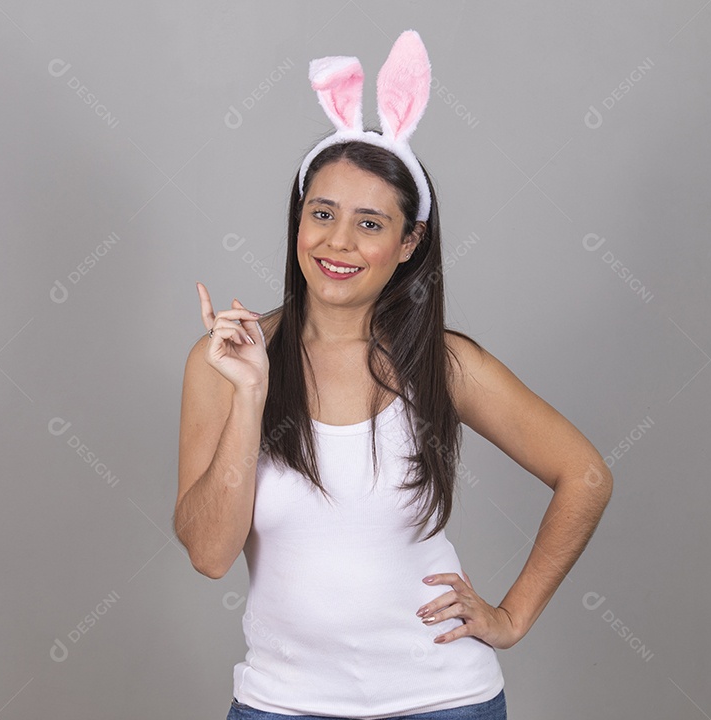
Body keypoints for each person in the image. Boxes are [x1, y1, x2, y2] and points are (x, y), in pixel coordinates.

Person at [175, 31, 613, 720]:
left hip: (442, 700)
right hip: (282, 704)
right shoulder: (226, 362)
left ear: (408, 244)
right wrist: (251, 394)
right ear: (297, 223)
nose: (339, 242)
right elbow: (209, 553)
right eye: (321, 214)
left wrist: (510, 616)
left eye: (370, 223)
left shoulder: (443, 363)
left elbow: (585, 475)